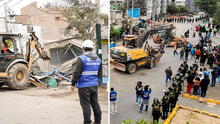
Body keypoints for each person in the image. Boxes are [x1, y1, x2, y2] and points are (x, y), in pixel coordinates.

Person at [71, 39, 102, 124]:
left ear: (83, 48)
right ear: (92, 48)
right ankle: (98, 121)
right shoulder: (98, 59)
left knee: (85, 105)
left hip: (83, 86)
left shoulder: (82, 58)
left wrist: (73, 84)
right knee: (95, 103)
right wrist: (95, 81)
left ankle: (87, 122)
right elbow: (99, 73)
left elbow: (77, 72)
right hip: (94, 85)